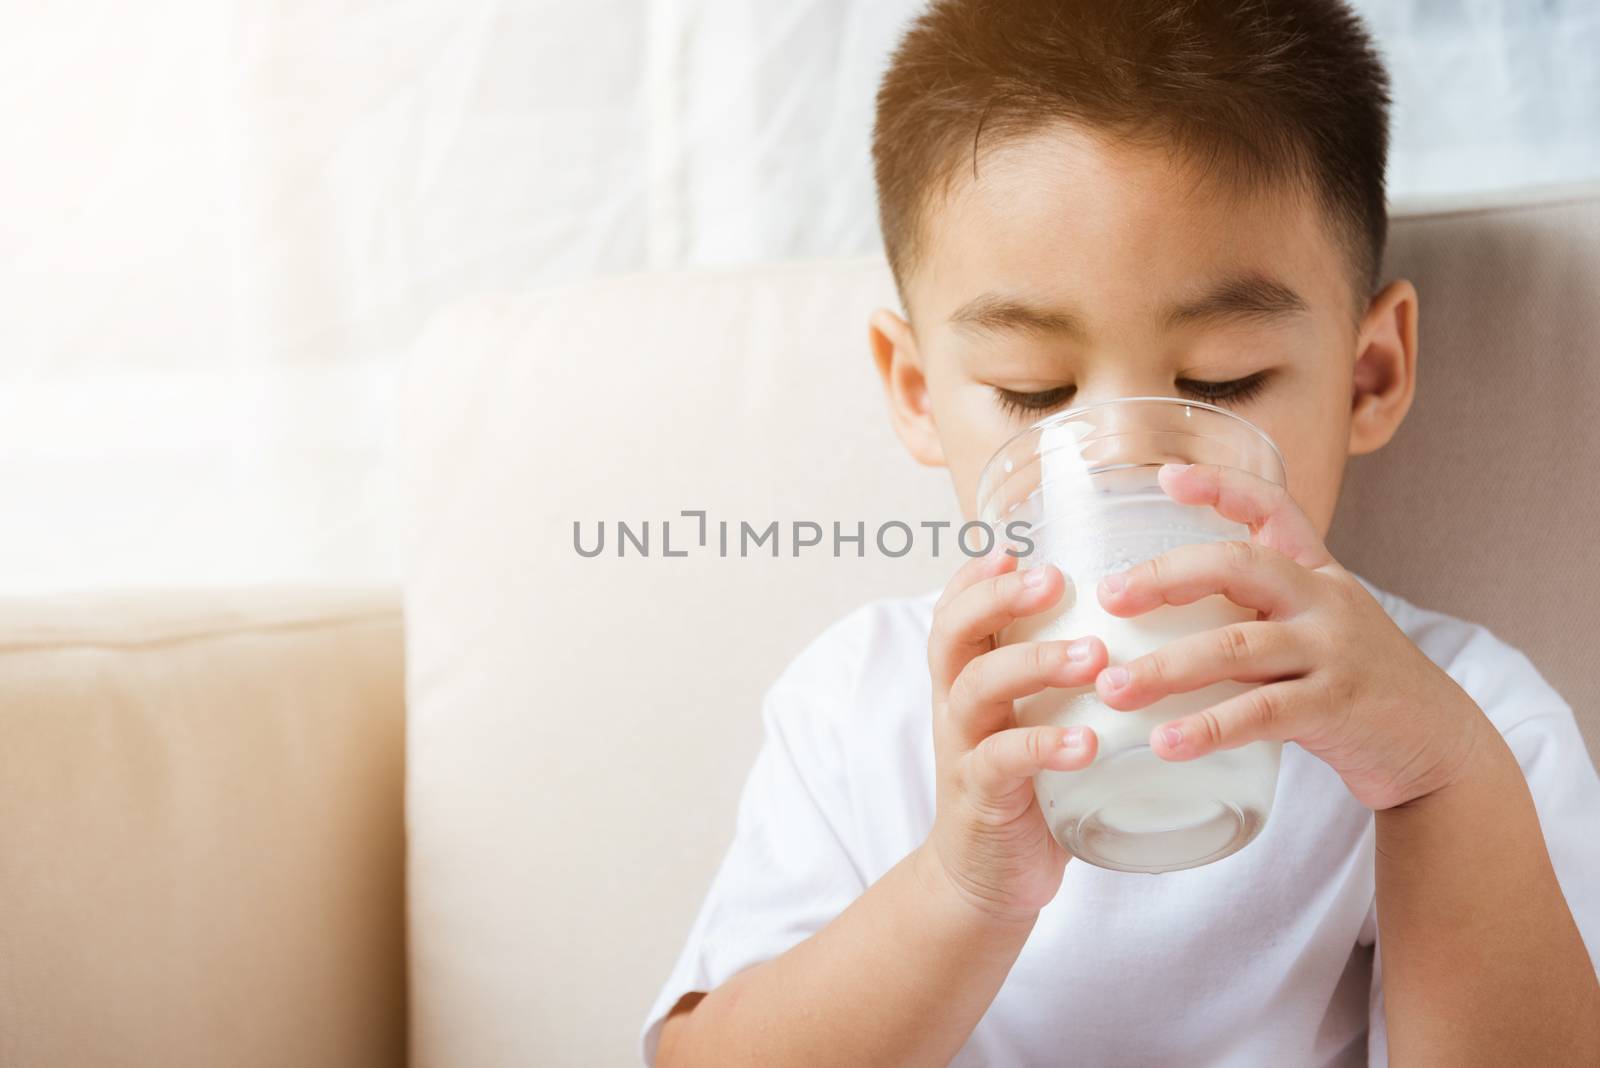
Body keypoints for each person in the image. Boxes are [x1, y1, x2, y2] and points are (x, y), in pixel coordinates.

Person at [643, 1, 1600, 1063]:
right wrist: (962, 885)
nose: (1122, 461)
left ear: (1367, 376)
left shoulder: (1468, 722)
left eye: (1220, 380)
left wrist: (1432, 784)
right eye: (1032, 390)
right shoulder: (860, 708)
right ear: (916, 392)